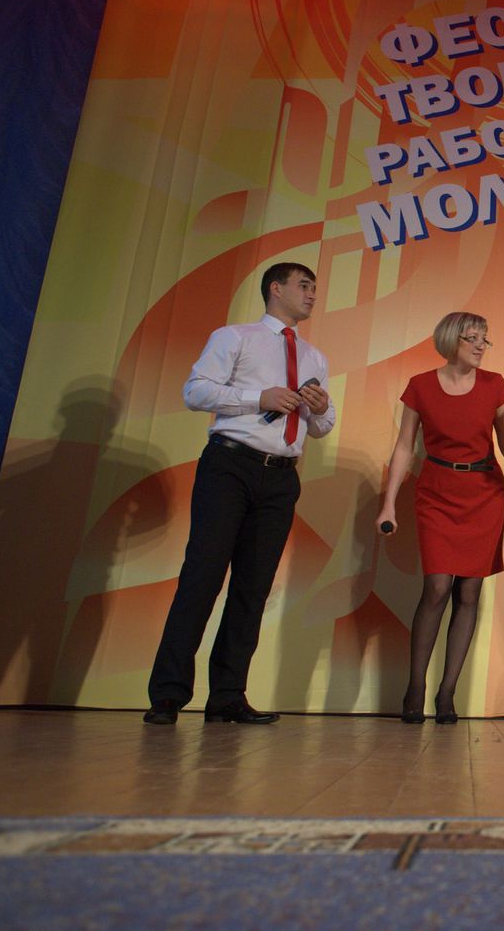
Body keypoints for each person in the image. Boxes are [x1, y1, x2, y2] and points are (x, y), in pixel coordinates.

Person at [143, 262, 335, 725]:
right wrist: (257, 398)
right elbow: (195, 392)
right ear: (276, 289)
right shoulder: (235, 337)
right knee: (203, 575)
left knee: (254, 586)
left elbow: (321, 427)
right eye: (304, 286)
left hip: (281, 476)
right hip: (230, 465)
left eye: (314, 287)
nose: (312, 294)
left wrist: (321, 408)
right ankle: (168, 694)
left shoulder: (314, 357)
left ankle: (228, 696)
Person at [376, 312, 504, 724]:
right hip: (437, 492)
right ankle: (415, 688)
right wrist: (389, 503)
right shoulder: (420, 386)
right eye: (473, 338)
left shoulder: (494, 386)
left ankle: (447, 693)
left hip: (484, 494)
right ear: (452, 341)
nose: (481, 346)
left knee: (469, 591)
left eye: (485, 339)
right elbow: (404, 447)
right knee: (437, 586)